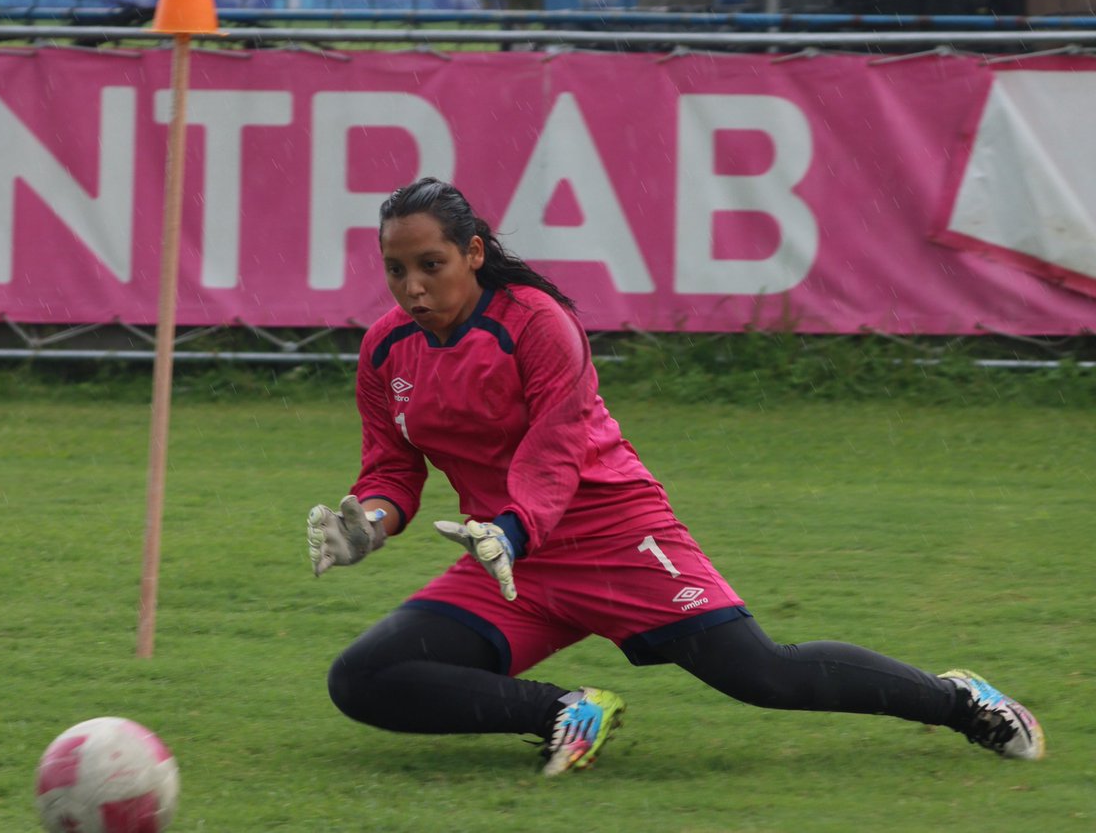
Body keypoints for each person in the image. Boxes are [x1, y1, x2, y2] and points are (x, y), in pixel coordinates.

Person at [306, 176, 1045, 775]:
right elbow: (393, 469)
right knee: (363, 677)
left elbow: (556, 451)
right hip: (507, 562)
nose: (411, 288)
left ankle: (959, 699)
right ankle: (566, 712)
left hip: (610, 534)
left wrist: (511, 528)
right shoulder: (384, 349)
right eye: (395, 270)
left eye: (429, 265)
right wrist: (367, 524)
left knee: (766, 677)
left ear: (472, 252)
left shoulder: (536, 322)